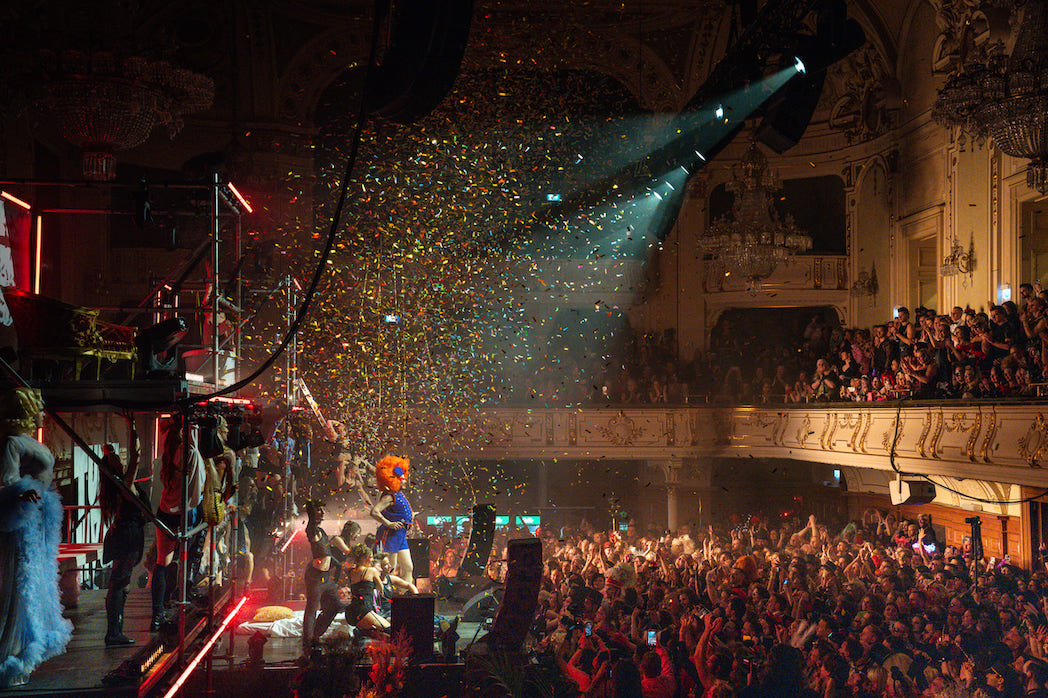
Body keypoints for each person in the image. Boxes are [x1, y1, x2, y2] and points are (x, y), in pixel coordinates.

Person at [0, 387, 72, 686]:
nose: (43, 413)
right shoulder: (13, 442)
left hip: (37, 520)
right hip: (23, 523)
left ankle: (21, 652)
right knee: (19, 587)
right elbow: (6, 480)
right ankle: (10, 656)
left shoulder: (25, 441)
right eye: (38, 408)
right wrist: (21, 493)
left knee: (34, 585)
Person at [151, 416, 206, 631]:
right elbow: (193, 447)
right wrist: (192, 426)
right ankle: (177, 602)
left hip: (166, 510)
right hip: (183, 513)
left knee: (162, 563)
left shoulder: (169, 447)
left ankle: (158, 612)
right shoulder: (185, 451)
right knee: (183, 559)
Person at [98, 416, 148, 646]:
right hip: (128, 536)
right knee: (119, 583)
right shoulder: (124, 484)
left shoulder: (114, 484)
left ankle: (115, 630)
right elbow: (136, 455)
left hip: (124, 534)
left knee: (121, 583)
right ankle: (113, 633)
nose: (120, 459)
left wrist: (108, 451)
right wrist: (132, 427)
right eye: (116, 459)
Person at [301, 499, 349, 651]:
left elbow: (327, 554)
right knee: (312, 609)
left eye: (322, 510)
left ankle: (315, 635)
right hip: (315, 578)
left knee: (335, 606)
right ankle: (308, 643)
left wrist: (340, 566)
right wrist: (309, 501)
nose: (322, 512)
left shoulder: (322, 532)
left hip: (326, 578)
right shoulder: (312, 530)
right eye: (318, 510)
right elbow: (311, 520)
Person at [370, 455, 415, 586]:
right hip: (390, 535)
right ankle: (387, 596)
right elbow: (374, 512)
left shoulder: (399, 494)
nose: (405, 481)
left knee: (408, 567)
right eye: (402, 479)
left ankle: (406, 594)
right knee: (389, 569)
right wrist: (388, 523)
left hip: (400, 535)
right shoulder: (389, 496)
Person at [344, 544, 391, 631]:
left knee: (372, 631)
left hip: (351, 611)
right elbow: (381, 589)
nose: (372, 560)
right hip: (364, 610)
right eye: (371, 557)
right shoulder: (371, 570)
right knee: (389, 629)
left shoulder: (351, 571)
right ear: (365, 558)